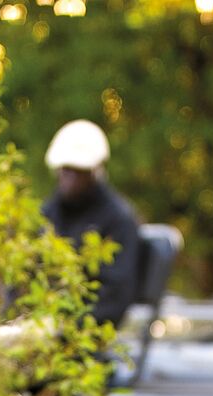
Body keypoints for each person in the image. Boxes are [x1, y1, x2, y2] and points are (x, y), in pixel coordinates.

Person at [39, 119, 143, 329]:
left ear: (95, 171)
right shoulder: (48, 214)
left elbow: (114, 297)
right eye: (66, 169)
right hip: (40, 326)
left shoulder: (119, 220)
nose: (70, 177)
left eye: (79, 171)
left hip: (83, 337)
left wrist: (66, 327)